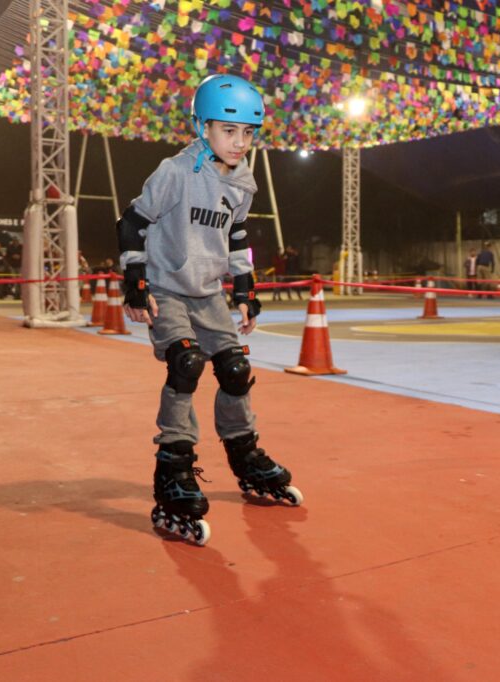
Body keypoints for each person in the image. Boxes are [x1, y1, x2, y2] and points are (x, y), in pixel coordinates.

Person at [116, 74, 300, 546]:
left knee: (236, 369)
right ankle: (173, 471)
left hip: (209, 293)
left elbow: (236, 238)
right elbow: (132, 223)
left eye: (248, 134)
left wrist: (246, 290)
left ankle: (244, 453)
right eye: (228, 131)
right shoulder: (175, 172)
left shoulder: (243, 181)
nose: (239, 143)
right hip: (167, 289)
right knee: (186, 361)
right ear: (201, 127)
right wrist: (135, 282)